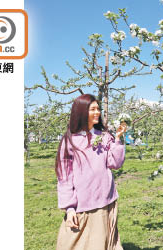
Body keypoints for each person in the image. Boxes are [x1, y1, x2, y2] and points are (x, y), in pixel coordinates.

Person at [55, 94, 127, 250]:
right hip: (83, 204)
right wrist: (70, 208)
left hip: (105, 200)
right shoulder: (70, 141)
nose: (97, 112)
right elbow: (64, 177)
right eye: (92, 109)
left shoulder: (104, 136)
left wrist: (118, 139)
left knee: (103, 242)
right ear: (81, 112)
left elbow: (115, 162)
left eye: (98, 109)